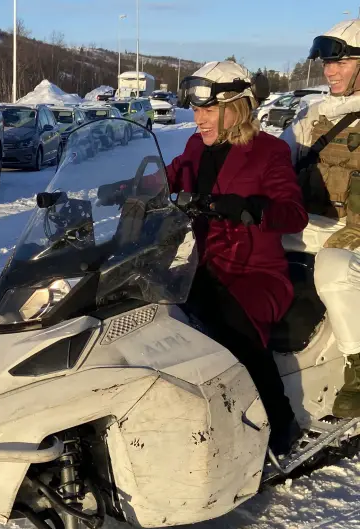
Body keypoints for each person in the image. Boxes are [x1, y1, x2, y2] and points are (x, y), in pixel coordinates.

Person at [101, 61, 309, 454]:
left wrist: (251, 208)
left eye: (207, 110)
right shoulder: (197, 147)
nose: (198, 119)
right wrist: (127, 187)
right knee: (146, 313)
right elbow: (170, 177)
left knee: (233, 327)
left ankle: (282, 423)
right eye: (196, 110)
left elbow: (292, 211)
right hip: (206, 266)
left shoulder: (269, 151)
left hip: (255, 274)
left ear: (237, 107)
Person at [281, 20, 360, 419]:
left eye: (341, 62)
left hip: (355, 240)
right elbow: (276, 160)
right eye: (328, 62)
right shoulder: (315, 115)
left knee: (332, 270)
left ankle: (358, 369)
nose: (330, 71)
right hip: (312, 227)